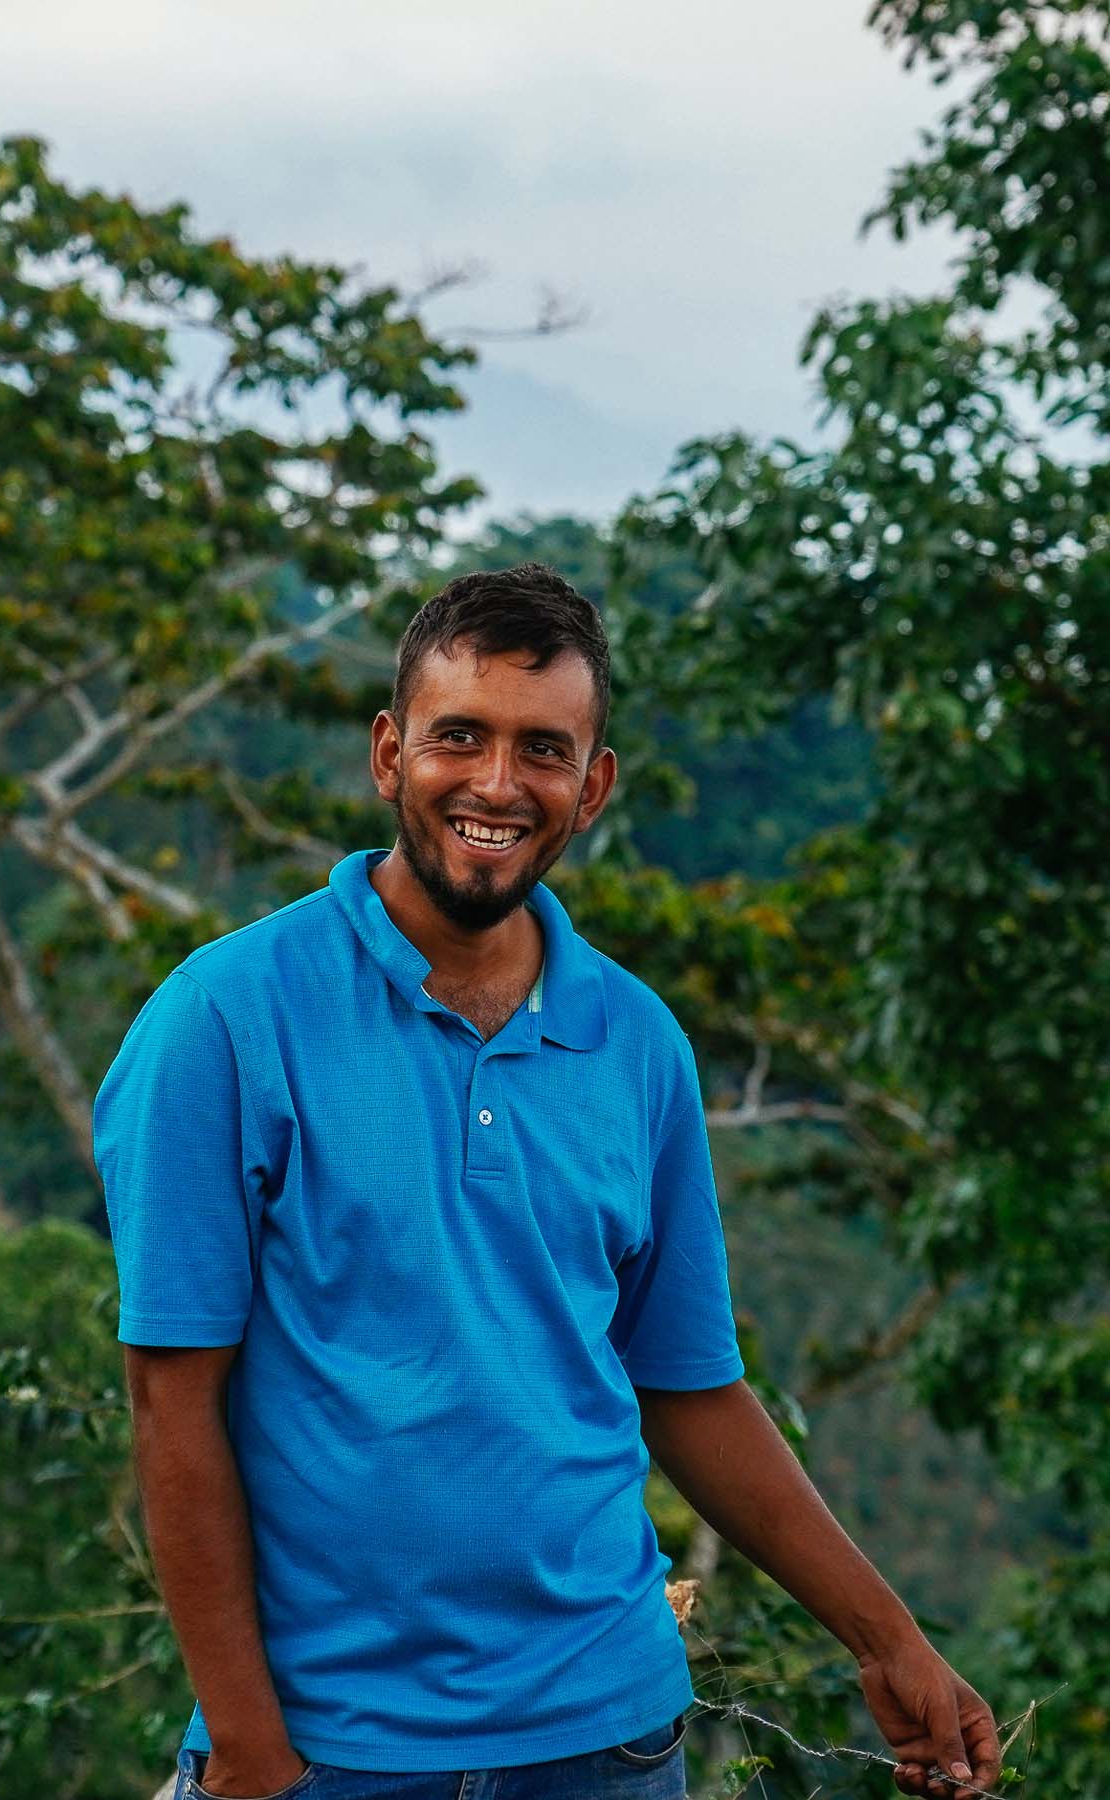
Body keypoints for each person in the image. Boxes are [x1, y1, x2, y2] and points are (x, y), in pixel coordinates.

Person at [94, 563, 1001, 1800]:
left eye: (544, 750)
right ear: (386, 753)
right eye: (457, 737)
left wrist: (889, 1640)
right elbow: (172, 1401)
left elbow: (691, 1390)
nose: (496, 785)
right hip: (332, 1748)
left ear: (594, 786)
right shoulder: (226, 1018)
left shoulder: (637, 1044)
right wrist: (251, 1751)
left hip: (609, 1738)